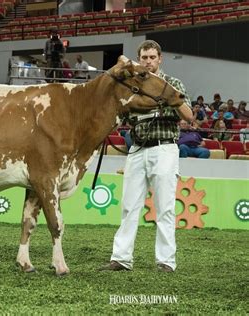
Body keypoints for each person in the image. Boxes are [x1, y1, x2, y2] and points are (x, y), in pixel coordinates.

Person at [100, 40, 192, 273]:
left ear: (160, 59)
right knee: (129, 205)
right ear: (139, 59)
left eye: (152, 57)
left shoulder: (172, 83)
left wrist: (171, 100)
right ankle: (121, 258)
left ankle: (166, 261)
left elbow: (189, 115)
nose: (148, 62)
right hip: (138, 149)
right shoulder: (133, 86)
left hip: (164, 148)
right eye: (144, 58)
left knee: (165, 207)